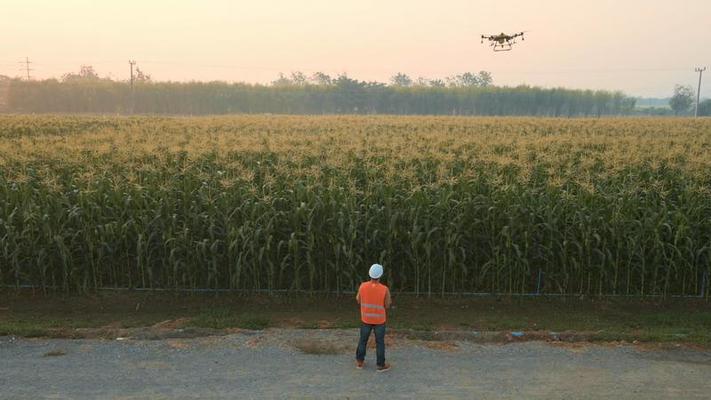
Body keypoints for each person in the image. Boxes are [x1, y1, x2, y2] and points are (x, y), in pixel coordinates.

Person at [355, 263, 392, 372]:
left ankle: (359, 362)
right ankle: (381, 365)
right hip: (379, 320)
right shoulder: (384, 289)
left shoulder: (362, 286)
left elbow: (358, 299)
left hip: (366, 319)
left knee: (363, 340)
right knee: (380, 342)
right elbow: (387, 304)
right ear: (380, 275)